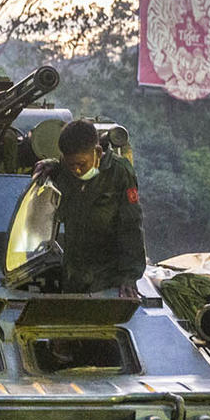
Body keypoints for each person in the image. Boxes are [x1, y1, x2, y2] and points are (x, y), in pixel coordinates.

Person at [35, 119, 147, 298]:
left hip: (108, 277)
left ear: (97, 152)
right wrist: (52, 166)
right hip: (74, 276)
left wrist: (129, 276)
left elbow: (131, 225)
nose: (77, 171)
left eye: (82, 164)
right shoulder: (64, 169)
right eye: (71, 165)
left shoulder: (119, 173)